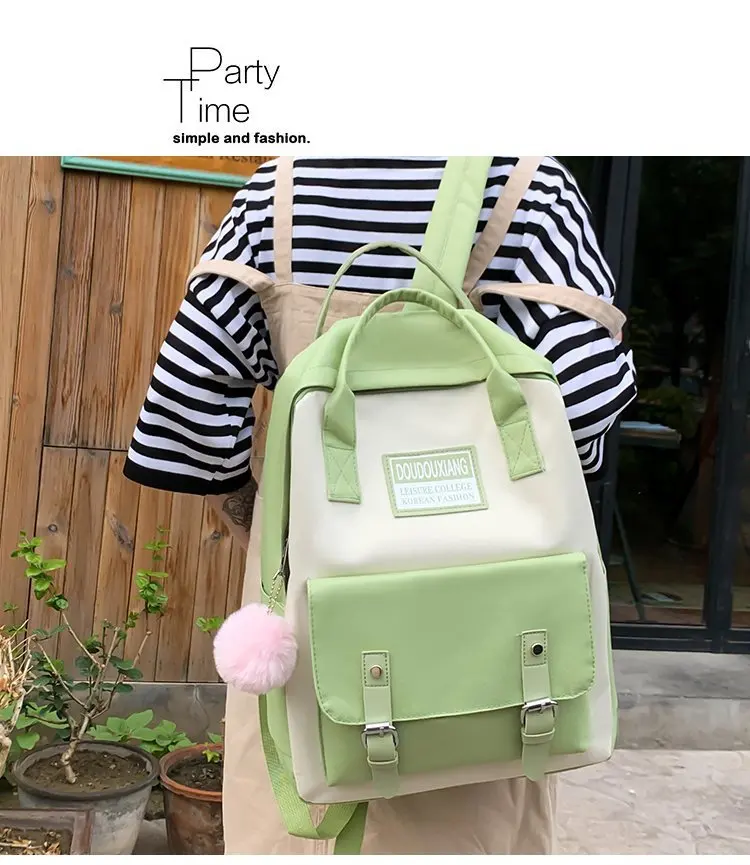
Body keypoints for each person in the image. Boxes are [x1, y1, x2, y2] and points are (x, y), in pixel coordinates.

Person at [124, 156, 636, 854]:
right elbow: (584, 401)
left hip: (308, 591)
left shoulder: (277, 192)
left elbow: (187, 409)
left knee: (298, 801)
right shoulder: (527, 187)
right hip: (486, 623)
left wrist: (263, 516)